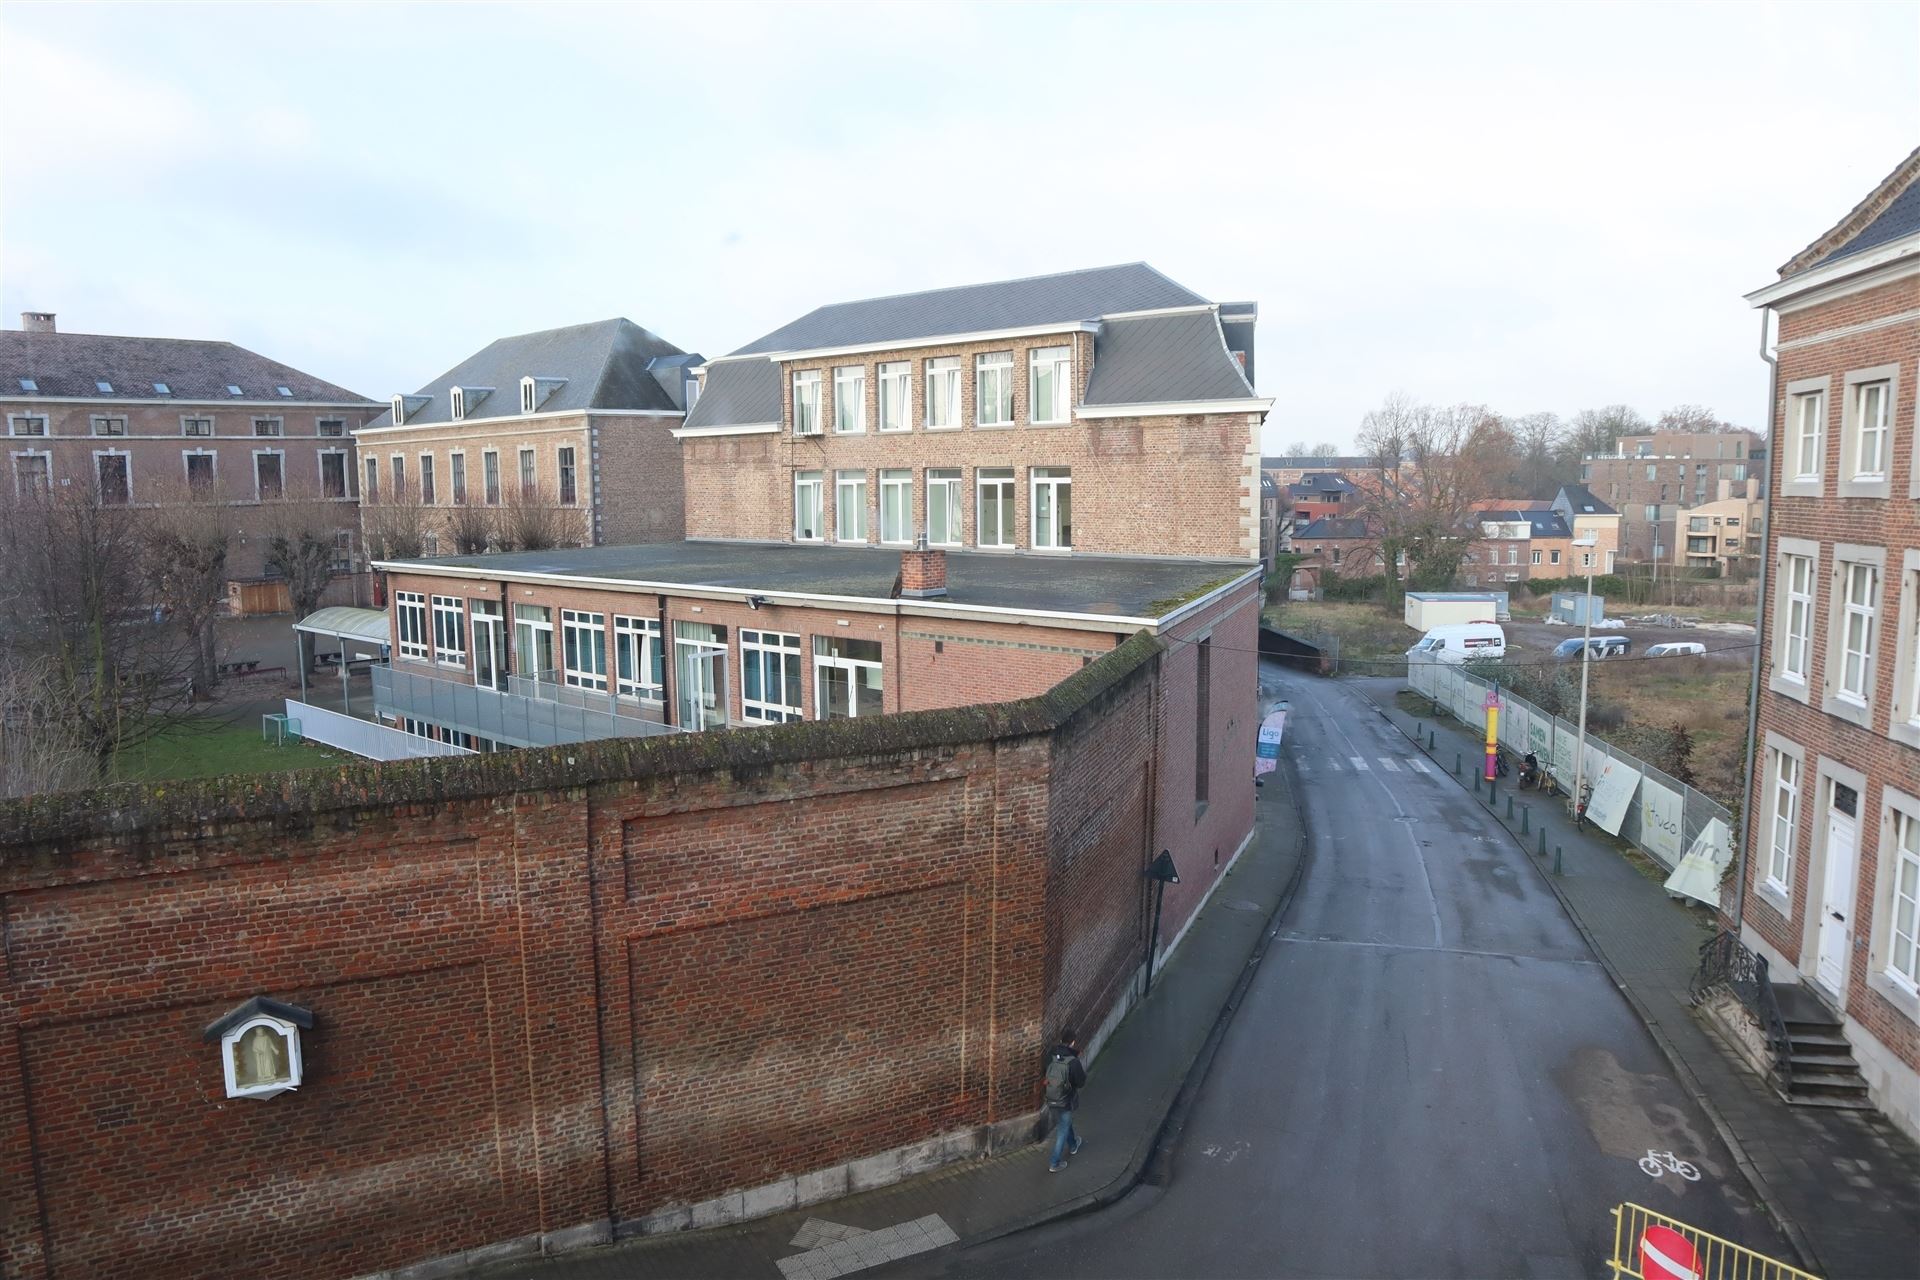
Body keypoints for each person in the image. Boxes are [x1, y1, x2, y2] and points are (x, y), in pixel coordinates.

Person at [1043, 1029, 1087, 1173]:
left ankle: (1073, 1144)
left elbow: (1046, 1071)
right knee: (1062, 1129)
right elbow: (1080, 1082)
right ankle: (1054, 1162)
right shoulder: (1073, 1062)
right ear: (1073, 1042)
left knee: (1065, 1122)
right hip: (1066, 1099)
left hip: (1051, 1097)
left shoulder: (1051, 1054)